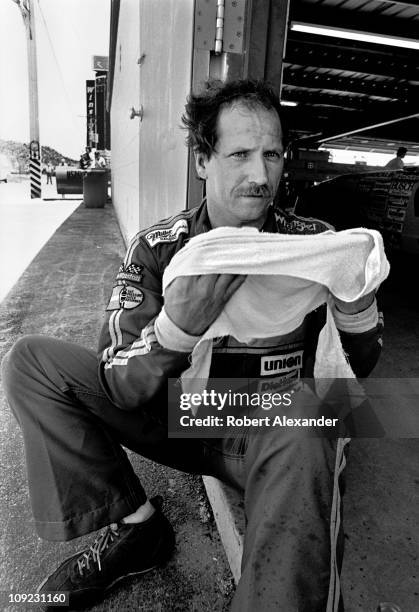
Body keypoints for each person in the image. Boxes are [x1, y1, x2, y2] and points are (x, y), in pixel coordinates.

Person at [1, 79, 383, 612]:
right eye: (240, 155)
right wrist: (176, 328)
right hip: (177, 418)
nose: (259, 175)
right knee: (31, 363)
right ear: (203, 160)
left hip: (270, 433)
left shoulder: (316, 245)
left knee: (308, 412)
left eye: (272, 155)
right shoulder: (160, 250)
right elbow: (117, 379)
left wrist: (355, 305)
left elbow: (355, 369)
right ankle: (136, 531)